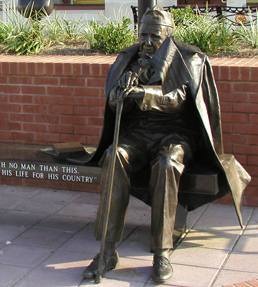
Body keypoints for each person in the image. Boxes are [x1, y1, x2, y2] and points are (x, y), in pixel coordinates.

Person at [81, 6, 251, 283]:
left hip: (176, 134)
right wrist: (121, 92)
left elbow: (177, 98)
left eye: (154, 37)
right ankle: (107, 250)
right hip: (138, 133)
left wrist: (142, 92)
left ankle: (162, 252)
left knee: (166, 163)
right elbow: (111, 101)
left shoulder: (189, 58)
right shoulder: (127, 58)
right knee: (113, 156)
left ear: (168, 35)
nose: (147, 43)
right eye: (143, 35)